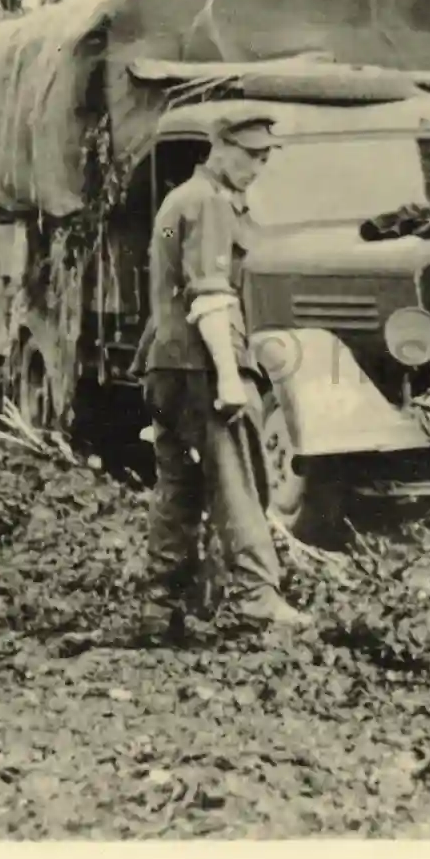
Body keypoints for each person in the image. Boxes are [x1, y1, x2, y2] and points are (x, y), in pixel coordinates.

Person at [132, 114, 310, 643]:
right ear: (221, 147)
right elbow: (208, 294)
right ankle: (258, 599)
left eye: (266, 155)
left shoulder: (177, 202)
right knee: (238, 480)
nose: (260, 165)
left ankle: (159, 606)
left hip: (166, 365)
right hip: (202, 364)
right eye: (251, 153)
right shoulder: (209, 203)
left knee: (178, 489)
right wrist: (231, 379)